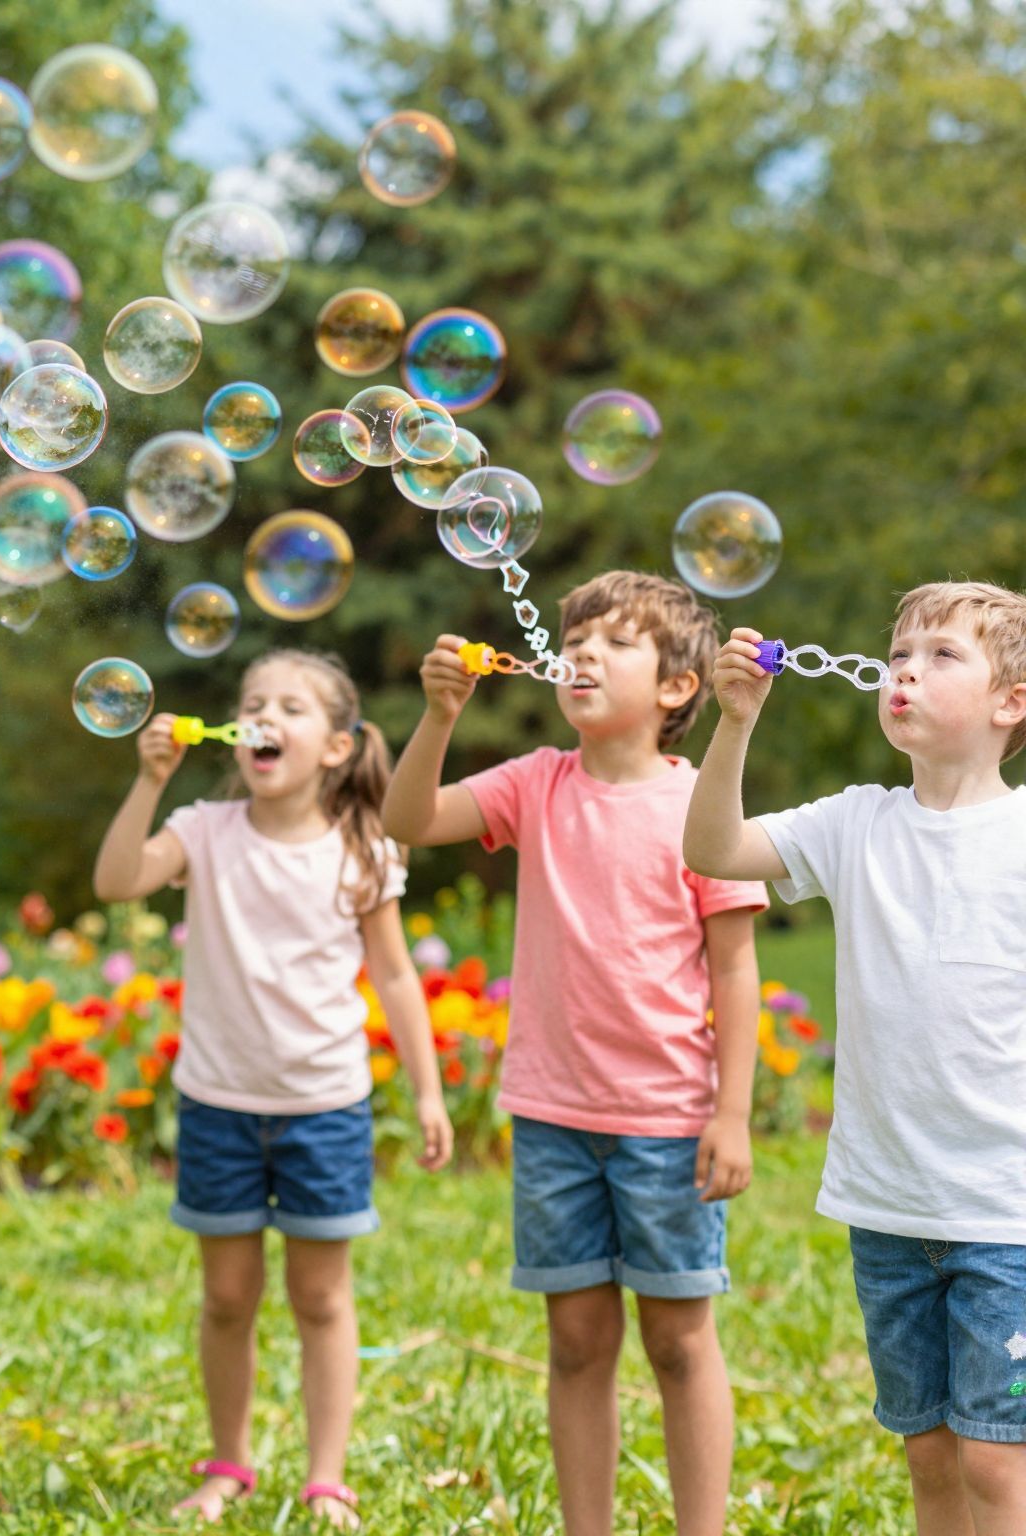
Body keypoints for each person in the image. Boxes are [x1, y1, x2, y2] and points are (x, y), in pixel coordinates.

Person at [381, 570, 766, 1536]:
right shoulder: (534, 782)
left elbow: (735, 970)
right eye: (576, 638)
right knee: (577, 1343)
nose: (583, 652)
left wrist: (730, 1113)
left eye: (615, 642)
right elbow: (408, 823)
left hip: (669, 1121)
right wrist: (437, 719)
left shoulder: (701, 808)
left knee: (679, 1342)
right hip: (554, 1117)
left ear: (678, 686)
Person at [682, 582, 1026, 1532]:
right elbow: (712, 848)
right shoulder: (856, 822)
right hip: (890, 1202)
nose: (904, 667)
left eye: (941, 653)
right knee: (930, 1455)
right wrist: (735, 723)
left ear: (1013, 702)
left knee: (1000, 1465)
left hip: (1009, 1207)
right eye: (899, 651)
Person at [93, 647, 453, 1530]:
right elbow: (115, 882)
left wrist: (431, 1093)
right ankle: (229, 1463)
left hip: (325, 1107)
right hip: (218, 1104)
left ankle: (325, 1477)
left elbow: (398, 978)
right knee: (227, 1298)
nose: (264, 715)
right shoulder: (205, 829)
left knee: (322, 1298)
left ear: (335, 745)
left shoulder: (362, 845)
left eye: (291, 706)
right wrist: (147, 783)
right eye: (254, 701)